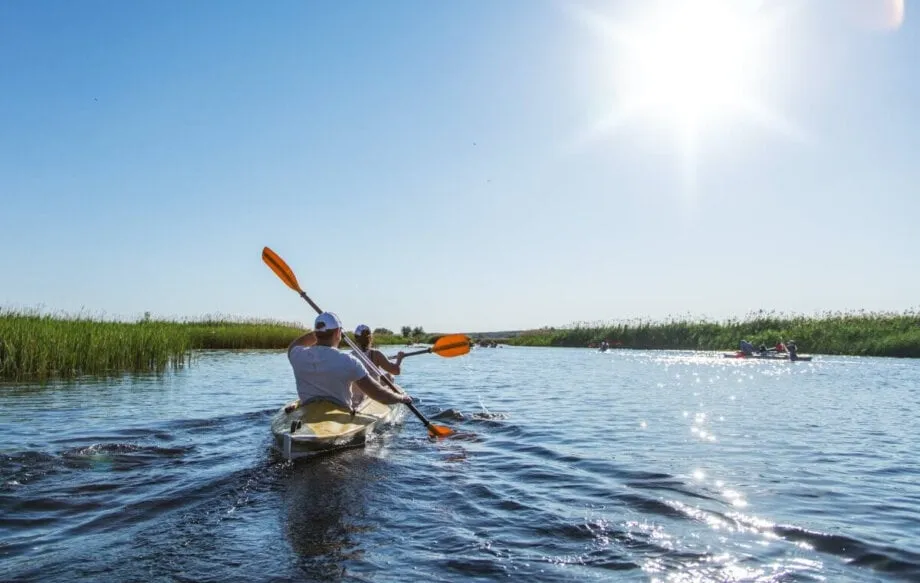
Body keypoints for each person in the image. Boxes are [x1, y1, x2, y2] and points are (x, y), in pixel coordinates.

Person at [286, 312, 412, 412]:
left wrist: (320, 331)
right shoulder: (348, 361)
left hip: (308, 409)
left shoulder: (297, 354)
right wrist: (400, 398)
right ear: (338, 333)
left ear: (316, 333)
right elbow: (378, 394)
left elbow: (295, 344)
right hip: (341, 413)